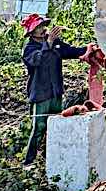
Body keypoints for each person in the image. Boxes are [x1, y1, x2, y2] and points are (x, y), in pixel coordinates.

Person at [21, 13, 86, 164]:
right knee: (39, 128)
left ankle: (53, 158)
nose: (43, 29)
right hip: (41, 94)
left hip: (56, 91)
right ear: (31, 32)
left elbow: (69, 51)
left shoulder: (54, 43)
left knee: (56, 125)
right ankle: (29, 162)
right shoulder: (29, 49)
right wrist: (48, 43)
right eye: (38, 27)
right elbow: (38, 60)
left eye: (43, 25)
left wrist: (87, 50)